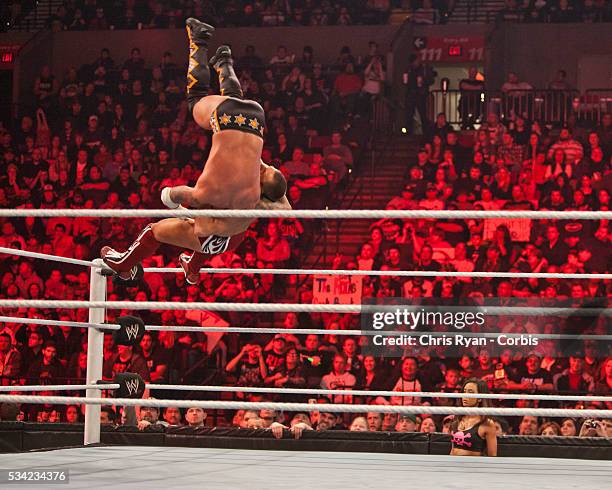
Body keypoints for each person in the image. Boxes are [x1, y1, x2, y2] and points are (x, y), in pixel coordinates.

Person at [101, 18, 289, 285]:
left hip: (254, 115)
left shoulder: (248, 174)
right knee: (203, 224)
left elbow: (194, 197)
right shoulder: (261, 199)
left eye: (267, 170)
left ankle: (204, 46)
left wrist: (169, 196)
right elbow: (282, 200)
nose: (266, 166)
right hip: (230, 234)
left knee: (154, 231)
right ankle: (191, 265)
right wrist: (172, 197)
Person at [449, 378, 497, 457]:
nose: (465, 395)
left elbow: (492, 456)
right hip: (453, 465)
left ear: (480, 398)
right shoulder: (458, 418)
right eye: (464, 392)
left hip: (473, 467)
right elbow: (453, 449)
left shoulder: (487, 423)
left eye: (470, 392)